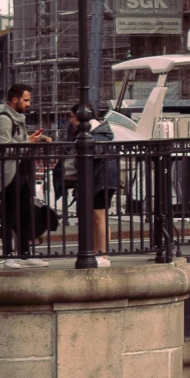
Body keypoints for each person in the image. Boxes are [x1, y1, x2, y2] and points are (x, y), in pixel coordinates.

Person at [0, 84, 48, 262]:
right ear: (15, 99)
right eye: (26, 100)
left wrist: (36, 139)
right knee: (10, 214)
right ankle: (8, 256)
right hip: (10, 174)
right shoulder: (4, 119)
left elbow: (19, 141)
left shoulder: (18, 118)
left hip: (22, 172)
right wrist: (29, 140)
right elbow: (4, 147)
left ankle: (25, 254)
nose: (29, 103)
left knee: (26, 213)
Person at [64, 104, 120, 264]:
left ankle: (103, 254)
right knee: (96, 217)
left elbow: (95, 153)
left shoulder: (97, 134)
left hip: (101, 179)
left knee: (99, 216)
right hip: (97, 178)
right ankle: (98, 252)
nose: (71, 121)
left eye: (72, 117)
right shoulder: (93, 132)